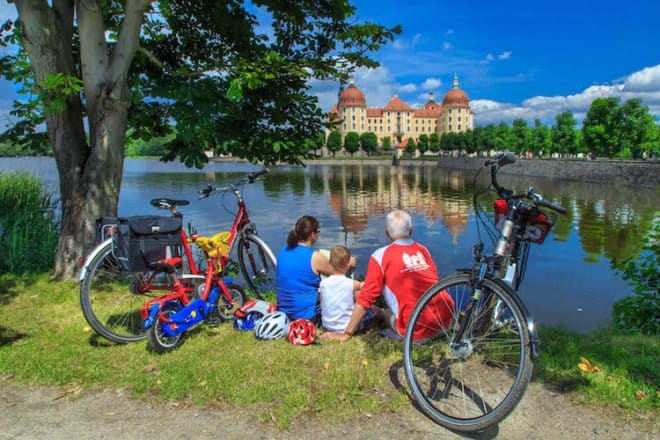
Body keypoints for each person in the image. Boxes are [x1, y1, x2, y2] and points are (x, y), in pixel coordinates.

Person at [321, 210, 454, 341]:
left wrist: (347, 333)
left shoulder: (380, 256)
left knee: (384, 314)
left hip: (416, 328)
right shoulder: (422, 249)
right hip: (446, 317)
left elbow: (367, 297)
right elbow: (435, 281)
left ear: (386, 232)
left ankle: (396, 330)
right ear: (411, 230)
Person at [276, 215, 334, 321]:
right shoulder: (315, 256)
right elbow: (336, 273)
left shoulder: (283, 251)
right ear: (312, 234)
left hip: (284, 311)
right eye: (318, 231)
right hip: (307, 315)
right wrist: (347, 263)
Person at [319, 245, 381, 334]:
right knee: (375, 312)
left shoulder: (323, 284)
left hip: (327, 325)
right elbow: (365, 285)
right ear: (348, 265)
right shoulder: (351, 283)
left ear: (329, 262)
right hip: (346, 327)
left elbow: (322, 303)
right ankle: (381, 320)